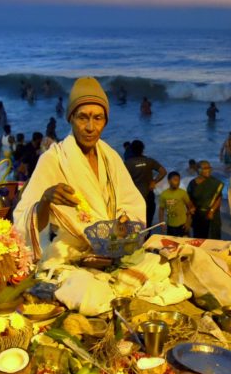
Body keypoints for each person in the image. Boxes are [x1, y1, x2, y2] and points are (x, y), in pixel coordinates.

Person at [13, 76, 145, 262]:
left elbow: (132, 204)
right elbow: (23, 222)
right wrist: (45, 200)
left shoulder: (111, 157)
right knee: (85, 290)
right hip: (69, 254)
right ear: (71, 118)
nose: (90, 127)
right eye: (83, 117)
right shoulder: (53, 159)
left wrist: (122, 226)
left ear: (105, 121)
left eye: (98, 118)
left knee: (158, 270)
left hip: (113, 250)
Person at [125, 140, 167, 226]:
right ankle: (147, 238)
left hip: (134, 198)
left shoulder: (127, 163)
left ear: (131, 150)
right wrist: (154, 181)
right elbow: (163, 171)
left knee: (136, 223)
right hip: (149, 195)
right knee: (148, 222)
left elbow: (121, 179)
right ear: (142, 149)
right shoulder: (149, 161)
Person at [187, 160, 223, 239]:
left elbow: (218, 198)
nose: (208, 170)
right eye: (205, 168)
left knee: (213, 239)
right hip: (198, 215)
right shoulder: (192, 184)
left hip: (212, 215)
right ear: (198, 169)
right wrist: (190, 209)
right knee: (199, 238)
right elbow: (189, 199)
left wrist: (212, 211)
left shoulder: (215, 183)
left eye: (209, 168)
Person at [159, 171, 195, 237]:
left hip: (183, 225)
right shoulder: (164, 194)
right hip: (170, 225)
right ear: (169, 181)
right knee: (172, 244)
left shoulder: (183, 193)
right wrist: (162, 223)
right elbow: (161, 210)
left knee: (185, 244)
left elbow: (191, 208)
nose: (177, 182)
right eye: (175, 180)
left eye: (178, 180)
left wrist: (188, 222)